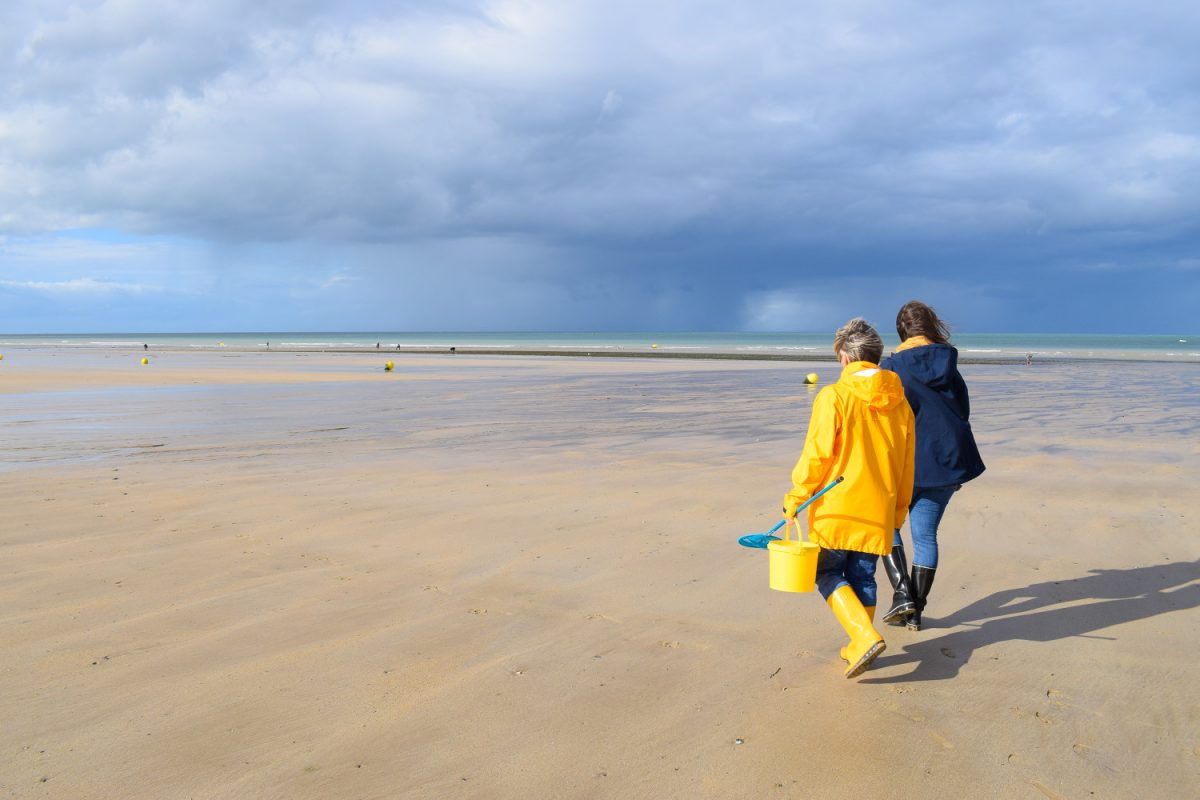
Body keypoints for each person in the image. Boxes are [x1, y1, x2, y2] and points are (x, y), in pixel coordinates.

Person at [783, 318, 915, 678]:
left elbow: (817, 454)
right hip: (878, 508)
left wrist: (796, 495)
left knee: (826, 571)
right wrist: (898, 511)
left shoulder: (834, 396)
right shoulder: (901, 404)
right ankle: (860, 642)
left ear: (844, 357)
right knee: (863, 577)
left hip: (837, 508)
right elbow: (907, 465)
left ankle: (863, 634)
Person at [879, 301, 986, 631]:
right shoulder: (948, 363)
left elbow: (881, 416)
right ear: (931, 327)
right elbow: (963, 410)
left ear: (901, 331)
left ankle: (903, 595)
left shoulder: (892, 367)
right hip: (946, 458)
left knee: (885, 527)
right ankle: (915, 610)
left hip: (905, 462)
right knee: (925, 537)